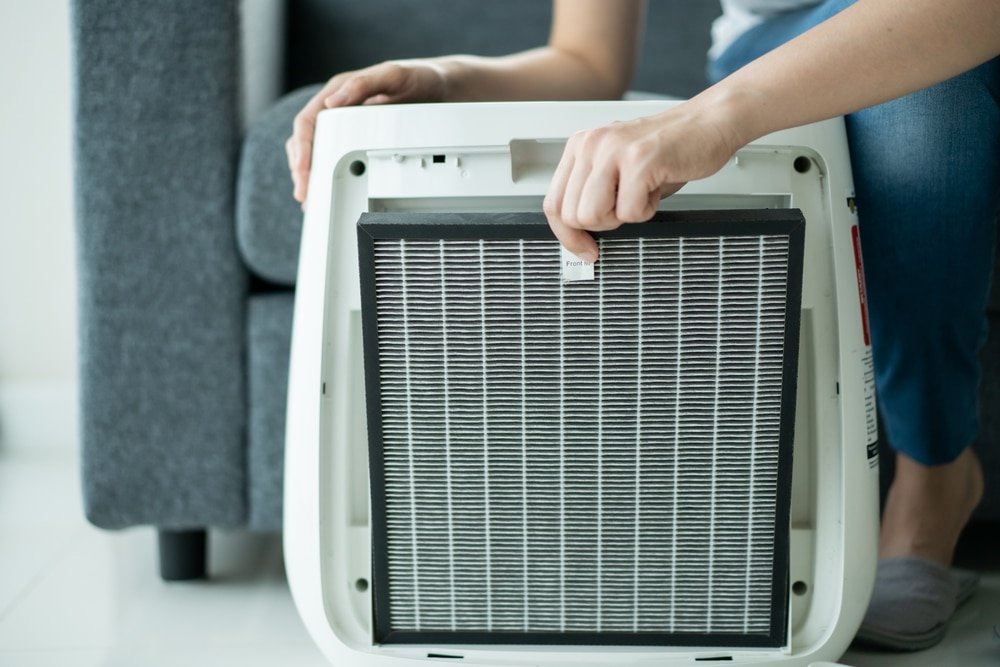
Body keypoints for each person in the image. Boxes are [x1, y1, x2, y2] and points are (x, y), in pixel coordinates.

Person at [287, 0, 1000, 650]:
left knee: (923, 110)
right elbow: (586, 60)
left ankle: (935, 472)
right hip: (768, 48)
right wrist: (442, 78)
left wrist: (719, 116)